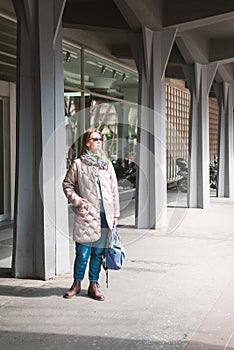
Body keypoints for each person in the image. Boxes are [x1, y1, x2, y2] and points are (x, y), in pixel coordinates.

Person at [62, 128, 120, 301]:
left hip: (105, 215)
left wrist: (115, 213)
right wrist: (77, 200)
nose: (99, 141)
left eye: (100, 139)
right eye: (95, 139)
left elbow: (114, 189)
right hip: (87, 215)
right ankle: (76, 284)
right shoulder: (78, 164)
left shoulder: (106, 163)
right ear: (87, 142)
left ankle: (93, 285)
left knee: (98, 253)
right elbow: (67, 185)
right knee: (83, 252)